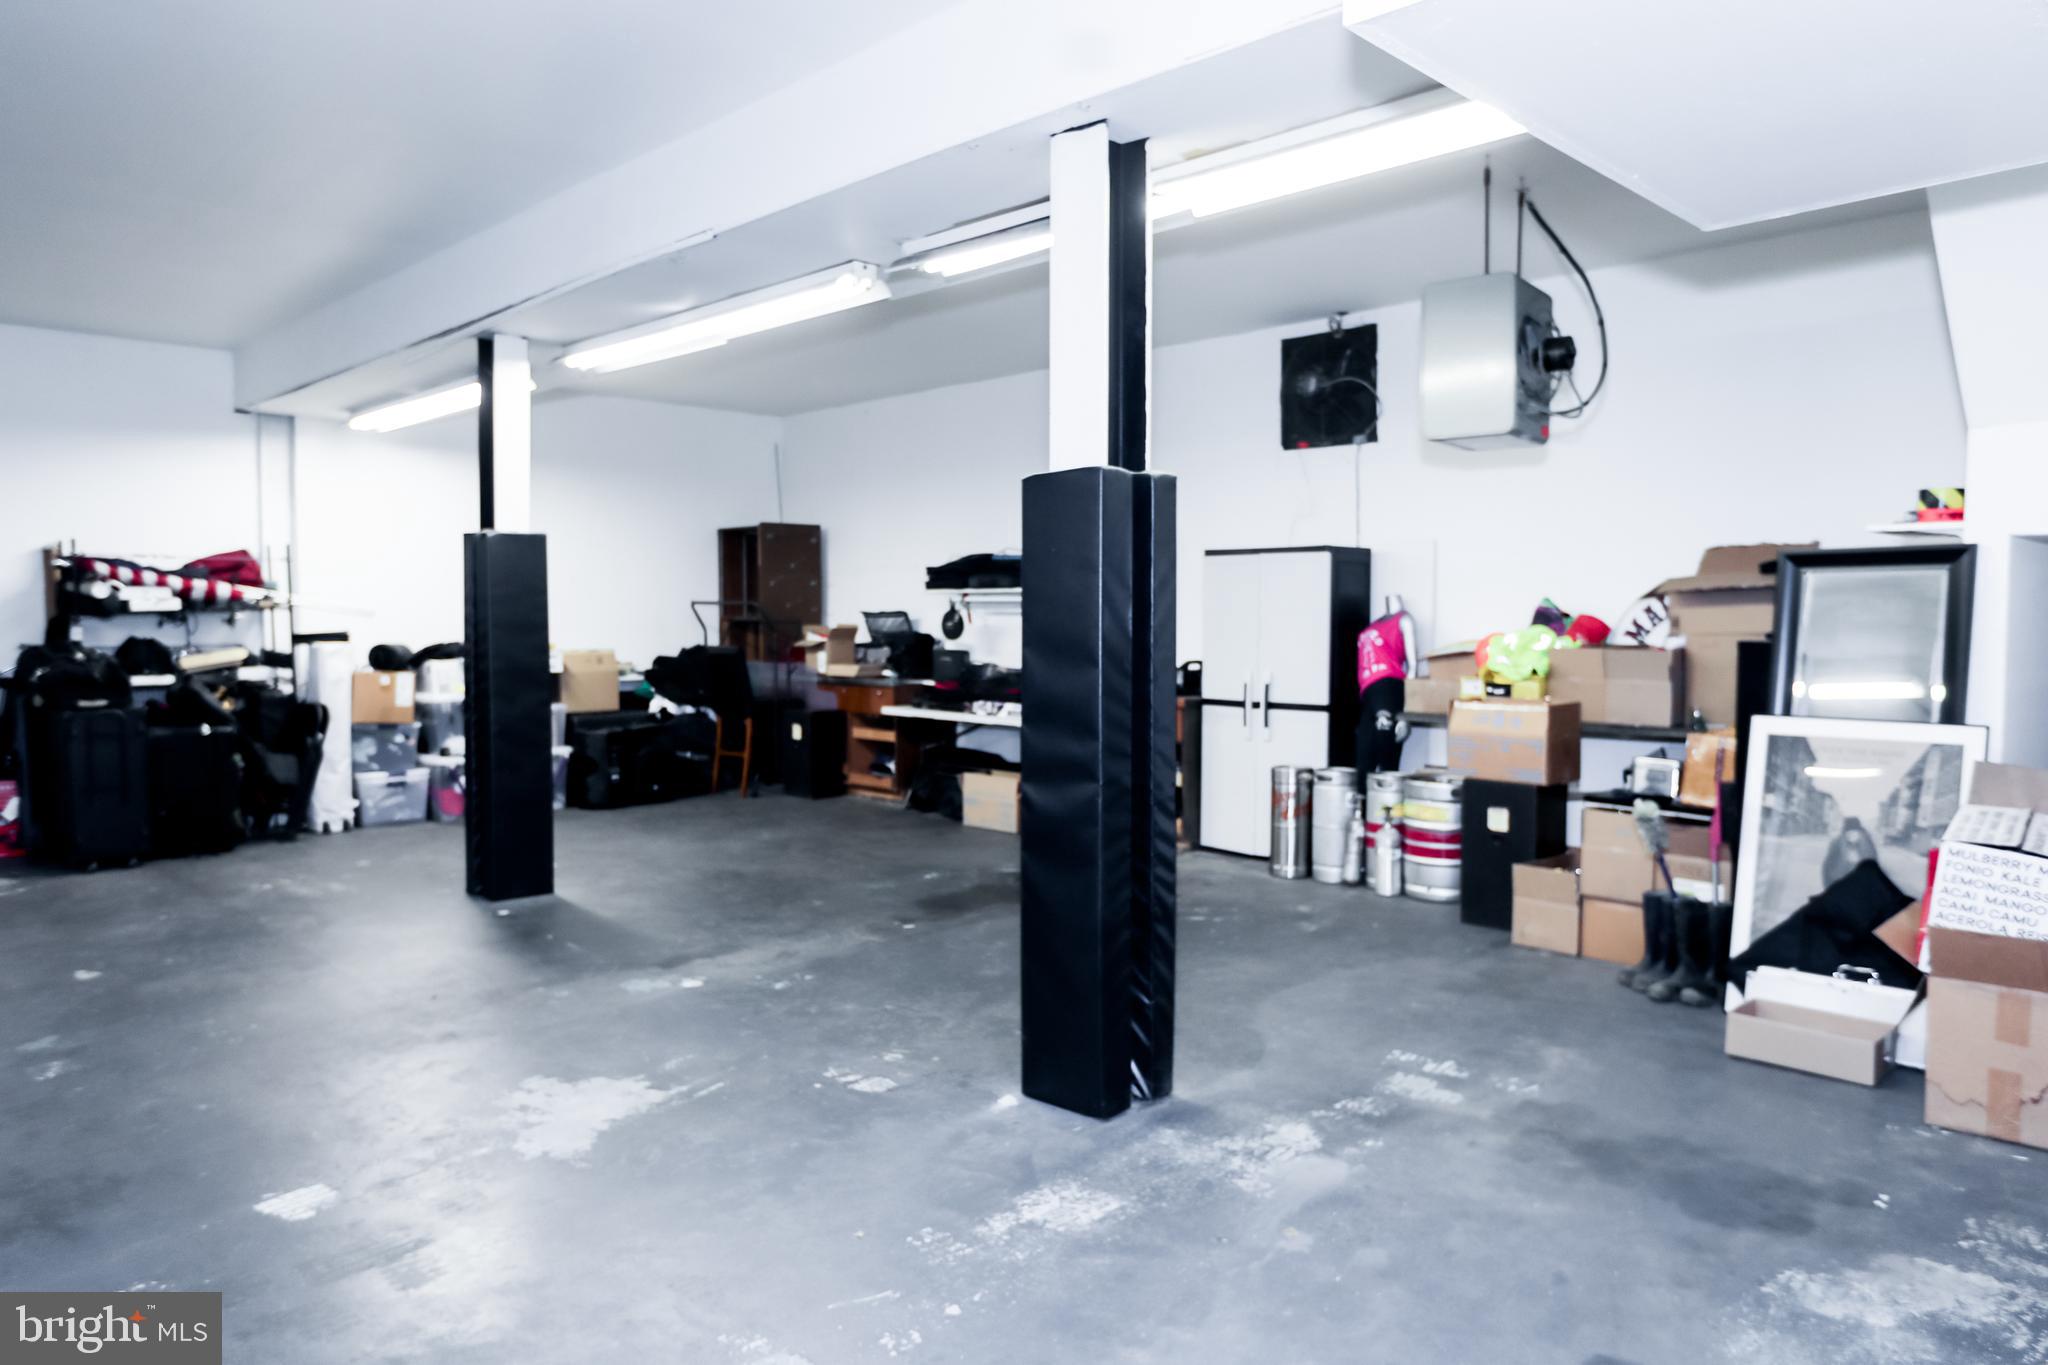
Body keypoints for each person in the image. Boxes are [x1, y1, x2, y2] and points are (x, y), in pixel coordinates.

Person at [1355, 594, 1417, 775]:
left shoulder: (1404, 620)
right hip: (1368, 691)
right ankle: (1364, 801)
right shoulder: (1375, 623)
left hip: (1388, 686)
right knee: (1364, 754)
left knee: (1386, 755)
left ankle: (1389, 801)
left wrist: (1407, 715)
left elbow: (1412, 666)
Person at [1822, 815, 1880, 889]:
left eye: (1855, 832)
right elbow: (1827, 866)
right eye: (1849, 833)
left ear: (1860, 832)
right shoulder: (1837, 844)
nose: (1852, 836)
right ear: (1845, 833)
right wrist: (1828, 885)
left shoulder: (1868, 845)